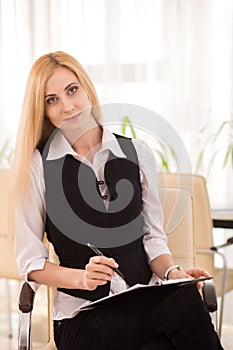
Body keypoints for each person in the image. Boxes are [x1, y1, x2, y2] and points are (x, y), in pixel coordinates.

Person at [11, 51, 224, 350]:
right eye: (52, 99)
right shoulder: (38, 166)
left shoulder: (138, 153)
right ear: (43, 110)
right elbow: (31, 263)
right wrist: (82, 278)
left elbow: (153, 240)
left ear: (86, 89)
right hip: (82, 318)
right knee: (181, 305)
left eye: (72, 90)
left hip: (145, 302)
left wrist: (173, 274)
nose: (67, 106)